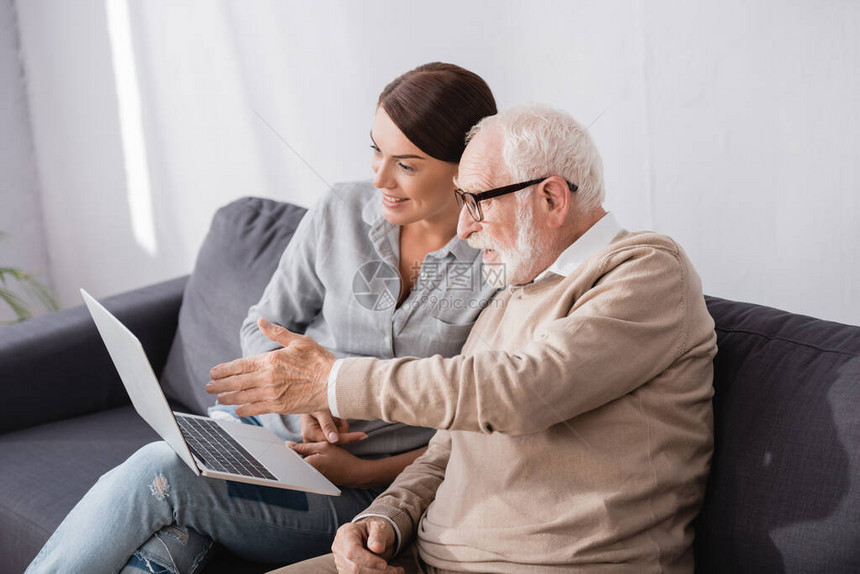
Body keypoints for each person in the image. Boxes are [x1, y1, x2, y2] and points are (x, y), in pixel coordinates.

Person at [25, 62, 498, 574]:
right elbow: (262, 323)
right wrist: (302, 396)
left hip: (356, 493)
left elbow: (482, 429)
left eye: (406, 164)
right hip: (252, 438)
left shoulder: (499, 270)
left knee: (157, 469)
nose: (379, 177)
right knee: (163, 556)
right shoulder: (341, 211)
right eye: (375, 150)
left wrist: (365, 471)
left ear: (465, 168)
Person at [210, 104, 718, 574]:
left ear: (551, 198)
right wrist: (386, 518)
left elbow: (519, 391)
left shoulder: (646, 272)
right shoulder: (513, 291)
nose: (464, 229)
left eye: (475, 203)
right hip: (422, 554)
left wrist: (333, 381)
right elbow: (449, 446)